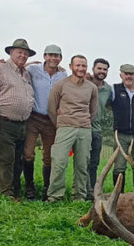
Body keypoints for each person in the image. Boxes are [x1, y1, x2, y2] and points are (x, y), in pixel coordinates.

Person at [0, 38, 35, 199]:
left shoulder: (25, 73)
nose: (23, 56)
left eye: (26, 54)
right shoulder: (0, 69)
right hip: (3, 121)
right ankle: (6, 194)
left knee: (17, 161)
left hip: (21, 124)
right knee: (5, 160)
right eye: (19, 52)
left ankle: (16, 193)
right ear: (11, 52)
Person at [45, 55, 98, 202]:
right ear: (71, 66)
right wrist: (61, 123)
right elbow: (51, 108)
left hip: (84, 129)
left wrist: (83, 122)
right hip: (64, 127)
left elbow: (93, 111)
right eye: (78, 65)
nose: (81, 69)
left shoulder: (92, 88)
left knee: (82, 165)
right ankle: (55, 195)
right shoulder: (61, 85)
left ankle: (79, 196)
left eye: (84, 66)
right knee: (59, 162)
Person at [23, 44, 67, 199]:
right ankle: (29, 187)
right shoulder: (33, 70)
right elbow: (20, 69)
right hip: (33, 117)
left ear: (61, 58)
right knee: (28, 153)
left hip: (51, 119)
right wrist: (28, 63)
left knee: (49, 156)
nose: (53, 58)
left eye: (57, 55)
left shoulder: (63, 75)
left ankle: (47, 188)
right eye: (50, 55)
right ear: (45, 56)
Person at [109, 64, 134, 192]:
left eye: (131, 74)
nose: (128, 77)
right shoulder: (114, 90)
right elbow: (105, 104)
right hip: (121, 134)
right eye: (126, 74)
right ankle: (118, 195)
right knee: (119, 167)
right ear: (121, 75)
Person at [86, 58, 113, 198]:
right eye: (99, 68)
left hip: (96, 129)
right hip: (82, 127)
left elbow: (109, 105)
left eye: (105, 69)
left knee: (94, 162)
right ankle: (79, 191)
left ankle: (91, 191)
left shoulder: (108, 89)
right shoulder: (84, 82)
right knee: (81, 162)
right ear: (93, 69)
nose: (102, 71)